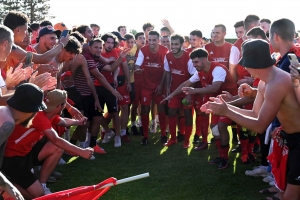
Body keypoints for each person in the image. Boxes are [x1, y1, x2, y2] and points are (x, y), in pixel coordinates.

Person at [202, 39, 300, 200]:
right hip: (292, 138)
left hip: (298, 139)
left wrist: (226, 110)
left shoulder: (277, 83)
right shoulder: (265, 81)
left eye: (245, 63)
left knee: (292, 195)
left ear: (254, 64)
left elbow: (260, 126)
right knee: (289, 186)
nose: (243, 68)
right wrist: (225, 107)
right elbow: (255, 114)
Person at [1, 89, 94, 198]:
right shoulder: (39, 115)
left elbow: (62, 121)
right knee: (38, 195)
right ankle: (7, 184)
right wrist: (81, 152)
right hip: (13, 159)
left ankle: (42, 184)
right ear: (60, 106)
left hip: (26, 153)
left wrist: (78, 122)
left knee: (56, 148)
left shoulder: (48, 113)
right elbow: (55, 139)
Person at [163, 48, 237, 169]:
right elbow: (185, 84)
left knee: (221, 127)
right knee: (214, 129)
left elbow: (214, 88)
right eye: (193, 62)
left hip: (231, 102)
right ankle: (222, 156)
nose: (194, 65)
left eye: (196, 62)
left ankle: (227, 158)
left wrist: (195, 90)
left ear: (204, 59)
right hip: (218, 103)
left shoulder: (217, 69)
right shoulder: (200, 72)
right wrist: (172, 95)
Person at [162, 34, 196, 148]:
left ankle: (187, 140)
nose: (174, 46)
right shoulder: (168, 56)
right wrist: (167, 88)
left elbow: (193, 77)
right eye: (172, 44)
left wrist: (189, 93)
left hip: (186, 91)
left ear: (182, 44)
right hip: (174, 91)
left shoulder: (188, 57)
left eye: (176, 44)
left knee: (187, 114)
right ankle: (173, 138)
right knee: (171, 112)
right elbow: (167, 72)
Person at [135, 30, 168, 145]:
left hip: (160, 85)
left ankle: (163, 134)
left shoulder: (165, 51)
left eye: (154, 40)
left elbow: (166, 70)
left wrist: (161, 85)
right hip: (146, 85)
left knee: (161, 109)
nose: (152, 42)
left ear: (158, 40)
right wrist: (137, 68)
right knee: (145, 109)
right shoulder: (143, 50)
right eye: (150, 40)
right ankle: (145, 136)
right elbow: (138, 63)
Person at [130, 32, 146, 135]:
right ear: (136, 40)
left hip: (145, 82)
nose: (142, 40)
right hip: (135, 81)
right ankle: (133, 125)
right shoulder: (132, 52)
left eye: (144, 38)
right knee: (135, 104)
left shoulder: (147, 51)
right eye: (140, 38)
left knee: (144, 105)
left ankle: (142, 124)